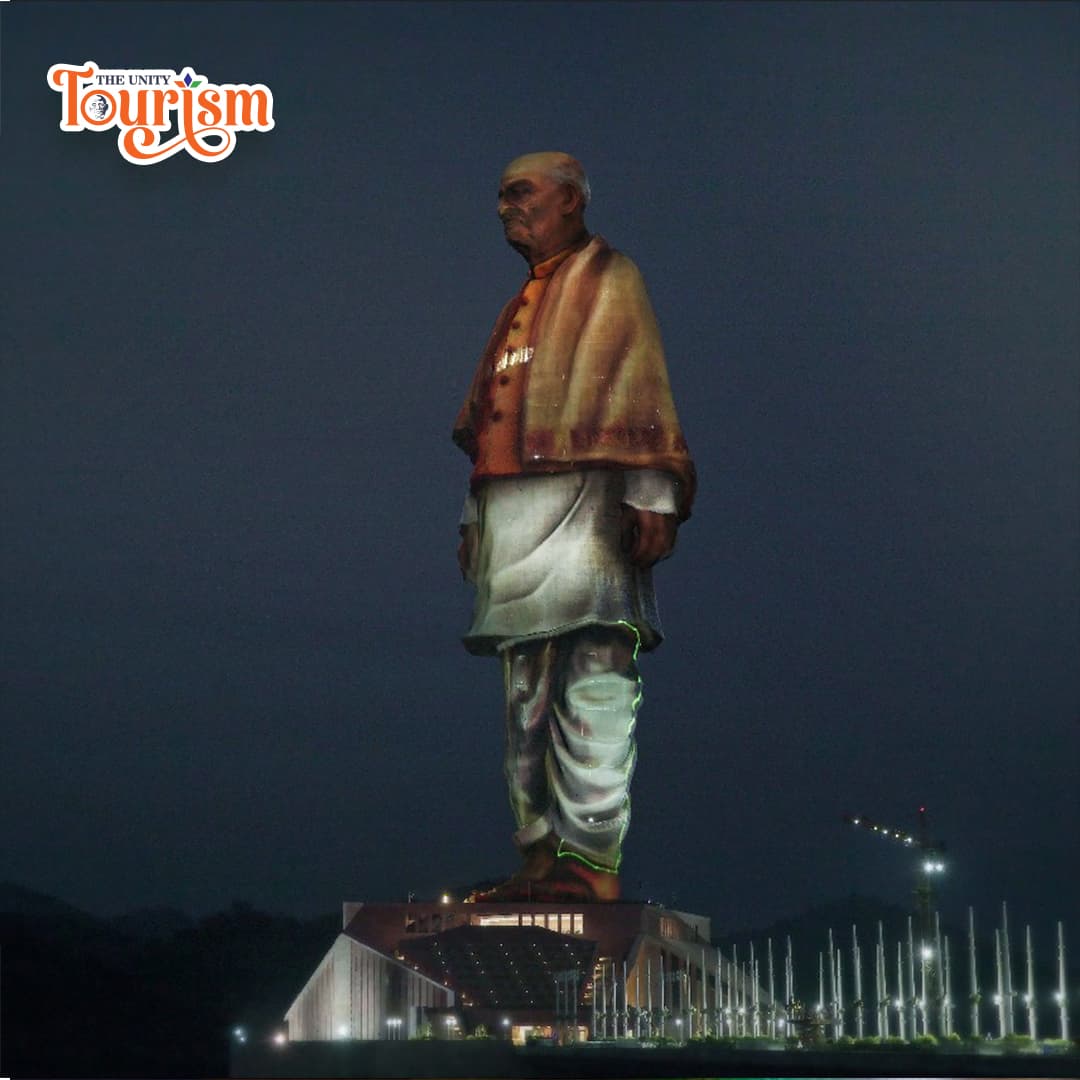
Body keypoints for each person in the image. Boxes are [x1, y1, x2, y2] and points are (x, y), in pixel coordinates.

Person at [452, 152, 695, 902]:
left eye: (519, 193)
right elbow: (488, 423)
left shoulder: (611, 277)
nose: (504, 209)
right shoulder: (520, 300)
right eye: (499, 196)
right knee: (523, 693)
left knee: (594, 673)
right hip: (513, 514)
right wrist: (474, 516)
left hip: (591, 501)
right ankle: (538, 854)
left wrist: (651, 492)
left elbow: (639, 385)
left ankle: (589, 859)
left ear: (571, 199)